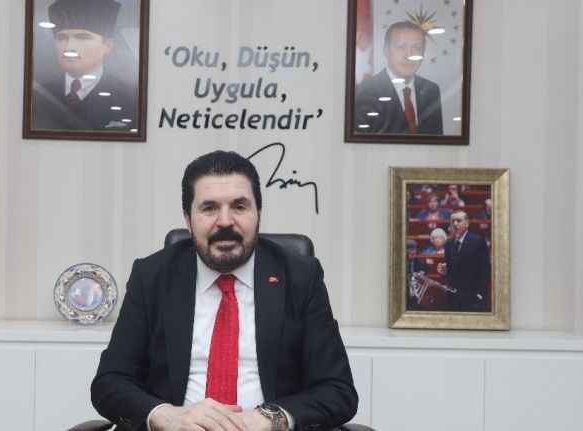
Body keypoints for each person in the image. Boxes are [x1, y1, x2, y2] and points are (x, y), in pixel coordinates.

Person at [91, 151, 358, 431]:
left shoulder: (300, 277)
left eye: (239, 207)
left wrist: (269, 419)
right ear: (188, 219)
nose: (225, 221)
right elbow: (110, 382)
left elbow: (338, 390)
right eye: (209, 208)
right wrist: (168, 417)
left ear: (259, 214)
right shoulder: (152, 276)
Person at [31, 0, 138, 131]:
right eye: (62, 38)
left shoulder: (131, 98)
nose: (69, 47)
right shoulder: (38, 96)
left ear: (108, 45)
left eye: (83, 37)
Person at [354, 21, 443, 134]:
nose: (409, 55)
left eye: (416, 47)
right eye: (401, 47)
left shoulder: (431, 90)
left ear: (423, 53)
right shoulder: (363, 92)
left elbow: (435, 141)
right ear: (386, 51)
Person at [436, 211, 491, 312]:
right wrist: (444, 272)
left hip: (471, 297)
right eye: (453, 221)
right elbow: (451, 272)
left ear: (467, 223)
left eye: (458, 221)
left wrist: (479, 294)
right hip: (453, 297)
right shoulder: (448, 243)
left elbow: (485, 270)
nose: (455, 224)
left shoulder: (477, 241)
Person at [406, 239, 428, 310]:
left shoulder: (422, 264)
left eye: (414, 249)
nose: (412, 251)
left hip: (417, 294)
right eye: (410, 249)